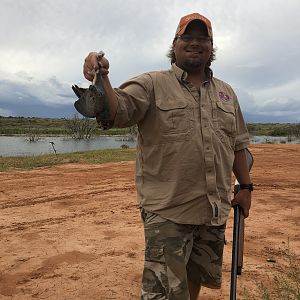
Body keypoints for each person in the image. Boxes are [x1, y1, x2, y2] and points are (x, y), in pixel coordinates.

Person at [82, 12, 252, 300]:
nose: (195, 43)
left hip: (213, 211)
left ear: (212, 47)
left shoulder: (226, 93)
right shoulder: (151, 84)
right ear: (174, 44)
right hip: (168, 213)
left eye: (203, 39)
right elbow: (115, 111)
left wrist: (246, 187)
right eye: (187, 37)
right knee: (163, 293)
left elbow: (237, 144)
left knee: (194, 281)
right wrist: (102, 77)